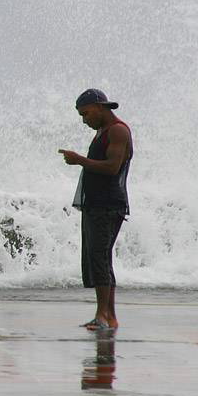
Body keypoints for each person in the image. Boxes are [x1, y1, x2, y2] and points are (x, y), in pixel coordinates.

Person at [59, 89, 133, 331]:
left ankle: (103, 316)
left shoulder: (118, 130)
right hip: (96, 205)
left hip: (108, 205)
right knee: (98, 258)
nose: (84, 120)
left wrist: (79, 159)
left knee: (100, 258)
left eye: (86, 113)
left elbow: (112, 167)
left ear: (100, 107)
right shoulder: (103, 132)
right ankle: (108, 316)